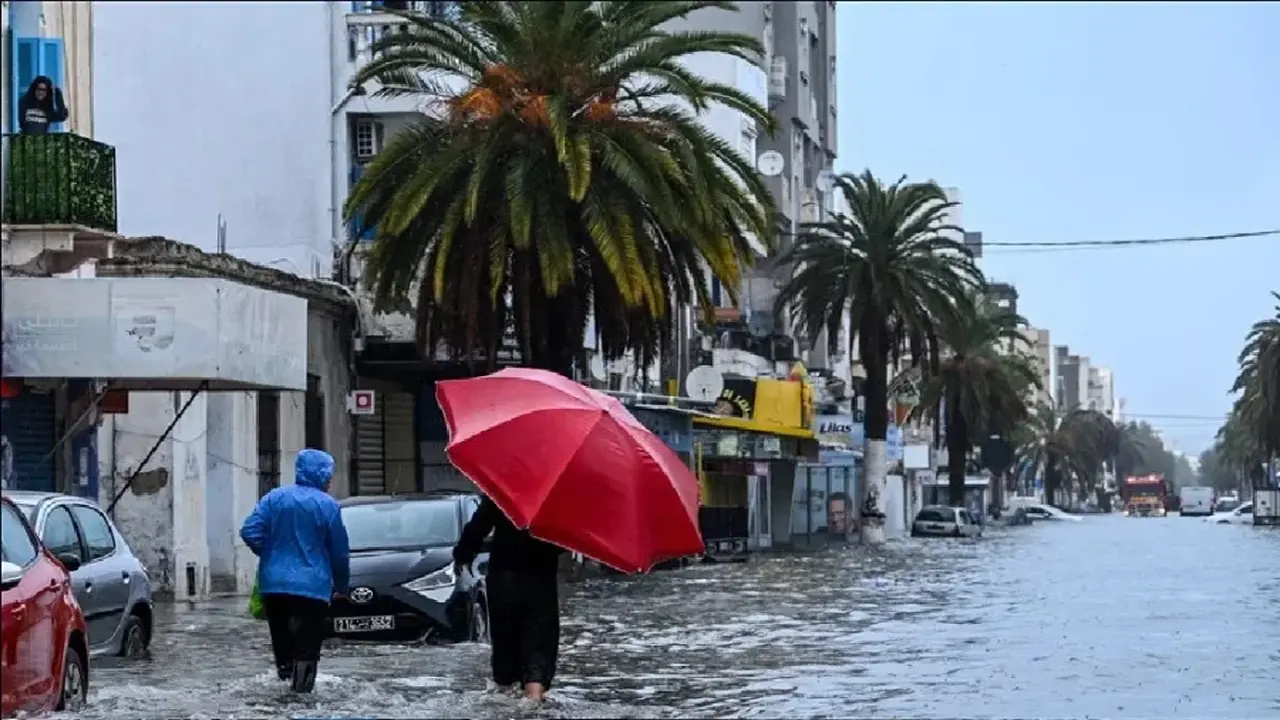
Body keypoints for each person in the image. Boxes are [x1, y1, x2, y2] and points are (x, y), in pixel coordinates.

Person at [240, 448, 349, 693]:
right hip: (313, 588)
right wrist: (341, 587)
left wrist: (269, 555)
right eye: (329, 475)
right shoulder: (328, 506)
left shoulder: (274, 498)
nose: (331, 481)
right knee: (307, 646)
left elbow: (249, 531)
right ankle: (300, 697)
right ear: (322, 476)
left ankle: (281, 688)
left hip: (274, 586)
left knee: (282, 643)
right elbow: (339, 553)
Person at [453, 496, 564, 702]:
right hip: (541, 582)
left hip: (503, 583)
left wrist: (463, 556)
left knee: (505, 644)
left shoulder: (503, 491)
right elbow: (565, 543)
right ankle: (533, 700)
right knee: (538, 646)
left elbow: (477, 527)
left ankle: (504, 700)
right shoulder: (556, 499)